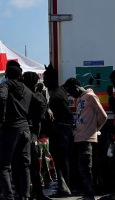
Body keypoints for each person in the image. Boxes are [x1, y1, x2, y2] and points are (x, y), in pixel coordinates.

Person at [0, 66, 44, 200]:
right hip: (25, 130)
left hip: (10, 129)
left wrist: (1, 119)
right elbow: (41, 105)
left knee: (1, 166)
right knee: (24, 165)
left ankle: (9, 196)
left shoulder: (6, 85)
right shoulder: (27, 90)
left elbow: (0, 96)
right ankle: (25, 197)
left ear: (7, 75)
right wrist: (33, 120)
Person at [64, 77, 107, 200]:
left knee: (86, 167)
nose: (70, 94)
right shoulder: (81, 98)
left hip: (87, 137)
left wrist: (95, 129)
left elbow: (103, 115)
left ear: (76, 87)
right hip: (80, 137)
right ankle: (87, 193)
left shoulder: (91, 97)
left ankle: (89, 194)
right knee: (82, 167)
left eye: (70, 90)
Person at [43, 64, 72, 197]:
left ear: (52, 79)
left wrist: (56, 123)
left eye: (46, 78)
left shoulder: (57, 96)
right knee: (61, 159)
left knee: (61, 160)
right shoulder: (57, 93)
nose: (44, 81)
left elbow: (68, 115)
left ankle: (64, 187)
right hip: (59, 132)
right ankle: (64, 186)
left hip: (59, 133)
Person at [22, 72, 49, 200]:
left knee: (25, 166)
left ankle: (29, 193)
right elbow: (42, 109)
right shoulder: (32, 95)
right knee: (32, 166)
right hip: (30, 135)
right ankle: (35, 193)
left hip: (21, 134)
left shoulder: (19, 94)